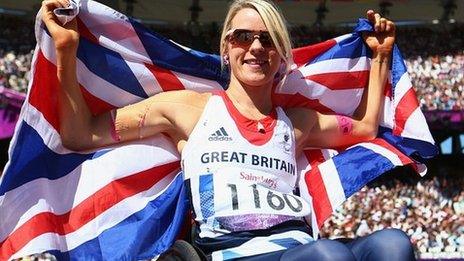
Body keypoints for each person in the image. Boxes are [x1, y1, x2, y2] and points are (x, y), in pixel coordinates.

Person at [41, 0, 415, 260]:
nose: (255, 47)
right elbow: (81, 134)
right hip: (232, 251)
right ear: (226, 48)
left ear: (282, 55)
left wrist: (380, 57)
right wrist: (67, 50)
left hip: (300, 247)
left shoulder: (296, 123)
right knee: (328, 254)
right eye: (243, 37)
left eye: (268, 39)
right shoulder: (185, 109)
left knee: (393, 245)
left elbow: (365, 128)